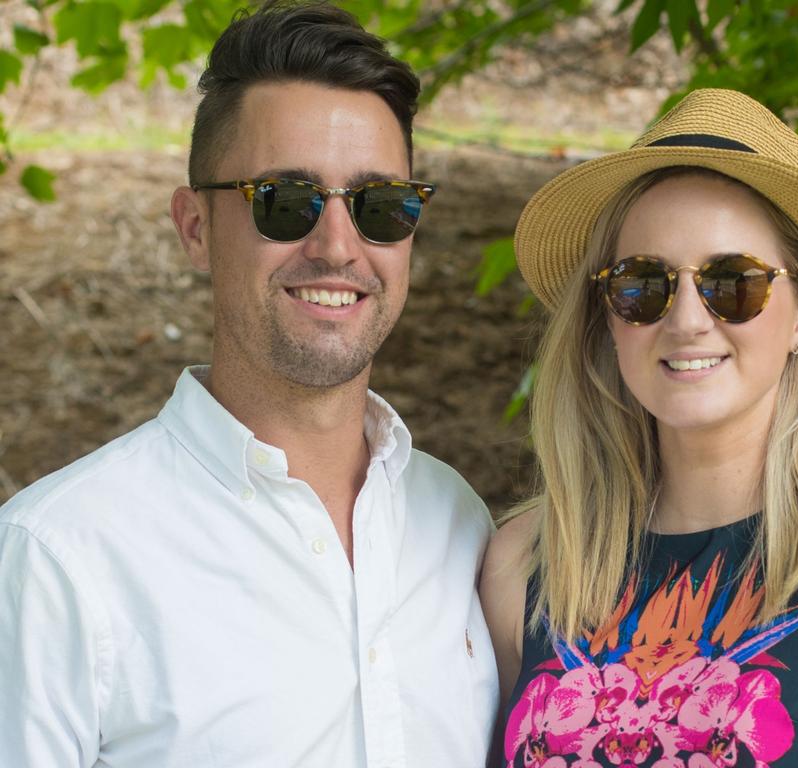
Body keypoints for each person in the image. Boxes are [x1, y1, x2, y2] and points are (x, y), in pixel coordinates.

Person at [0, 2, 498, 766]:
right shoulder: (59, 559)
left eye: (381, 207)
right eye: (285, 201)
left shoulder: (458, 526)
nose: (338, 246)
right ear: (195, 228)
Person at [481, 88, 798, 768]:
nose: (687, 319)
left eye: (734, 283)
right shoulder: (526, 564)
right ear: (609, 316)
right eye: (643, 284)